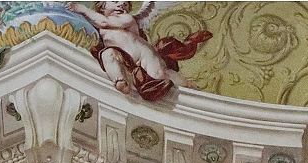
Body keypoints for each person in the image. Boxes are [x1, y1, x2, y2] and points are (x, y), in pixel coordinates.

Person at [68, 2, 211, 101]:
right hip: (126, 60)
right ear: (102, 6)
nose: (121, 4)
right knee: (107, 55)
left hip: (143, 54)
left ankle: (190, 87)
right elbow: (95, 24)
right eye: (115, 1)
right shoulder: (97, 24)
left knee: (160, 74)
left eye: (125, 4)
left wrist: (83, 9)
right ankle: (120, 81)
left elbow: (104, 22)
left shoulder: (126, 19)